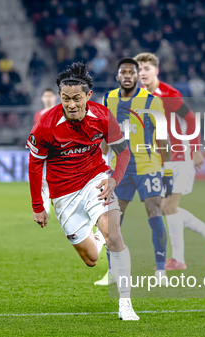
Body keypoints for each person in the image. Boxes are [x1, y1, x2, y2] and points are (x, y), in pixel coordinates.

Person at [27, 62, 139, 320]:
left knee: (114, 234)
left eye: (77, 98)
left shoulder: (101, 116)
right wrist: (38, 207)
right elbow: (35, 166)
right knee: (90, 259)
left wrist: (114, 180)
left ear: (88, 96)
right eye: (65, 99)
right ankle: (98, 238)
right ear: (60, 97)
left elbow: (123, 152)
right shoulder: (45, 125)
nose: (71, 104)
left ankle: (125, 303)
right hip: (63, 194)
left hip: (95, 179)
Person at [135, 52, 205, 271]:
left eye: (147, 68)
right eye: (139, 70)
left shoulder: (169, 94)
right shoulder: (138, 95)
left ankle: (179, 260)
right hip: (158, 158)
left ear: (156, 71)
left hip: (179, 156)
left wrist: (195, 150)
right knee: (167, 208)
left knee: (168, 206)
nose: (142, 73)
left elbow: (191, 119)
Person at [94, 58, 171, 286]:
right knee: (113, 220)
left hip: (148, 166)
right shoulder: (108, 99)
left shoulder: (152, 101)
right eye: (123, 72)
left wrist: (166, 171)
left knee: (153, 211)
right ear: (117, 76)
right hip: (121, 169)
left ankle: (160, 271)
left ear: (137, 76)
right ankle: (111, 271)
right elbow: (105, 135)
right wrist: (101, 164)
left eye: (131, 72)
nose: (127, 76)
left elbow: (163, 138)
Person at [33, 88, 59, 214]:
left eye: (50, 96)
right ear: (42, 98)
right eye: (45, 96)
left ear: (55, 97)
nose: (48, 98)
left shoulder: (60, 112)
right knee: (43, 182)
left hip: (58, 152)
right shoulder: (38, 115)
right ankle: (46, 210)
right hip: (44, 152)